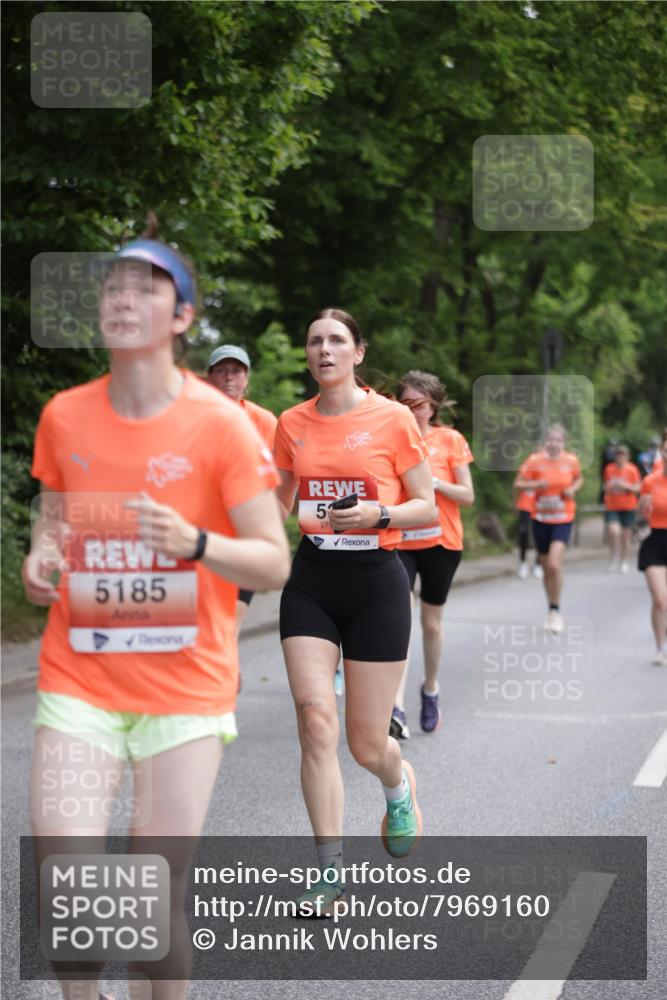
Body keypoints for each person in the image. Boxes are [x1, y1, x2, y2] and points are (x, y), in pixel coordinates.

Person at [22, 229, 290, 1000]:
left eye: (146, 287)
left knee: (150, 909)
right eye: (113, 287)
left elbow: (273, 562)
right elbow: (55, 516)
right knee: (71, 895)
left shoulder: (220, 425)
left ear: (182, 317)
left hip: (185, 692)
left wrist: (195, 542)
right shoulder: (65, 416)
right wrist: (42, 554)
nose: (123, 298)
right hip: (79, 679)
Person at [273, 308, 436, 915]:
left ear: (358, 352)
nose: (324, 349)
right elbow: (277, 502)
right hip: (312, 582)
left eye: (336, 340)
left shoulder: (392, 418)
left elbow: (426, 505)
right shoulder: (292, 422)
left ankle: (397, 785)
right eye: (314, 340)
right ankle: (329, 877)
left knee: (368, 746)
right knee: (316, 721)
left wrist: (379, 515)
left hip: (376, 584)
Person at [388, 371, 474, 739]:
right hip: (401, 542)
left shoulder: (450, 440)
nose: (411, 409)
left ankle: (431, 688)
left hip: (441, 542)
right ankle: (396, 708)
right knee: (399, 620)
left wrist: (432, 483)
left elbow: (468, 496)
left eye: (418, 404)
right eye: (404, 402)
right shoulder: (390, 436)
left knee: (431, 624)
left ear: (433, 406)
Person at [207, 343, 279, 632]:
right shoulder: (192, 417)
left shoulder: (264, 421)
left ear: (246, 378)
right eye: (221, 370)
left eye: (236, 371)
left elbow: (276, 479)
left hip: (244, 536)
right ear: (210, 376)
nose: (228, 377)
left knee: (230, 624)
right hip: (202, 534)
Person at [514, 425, 583, 633]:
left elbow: (579, 478)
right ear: (545, 442)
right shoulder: (535, 460)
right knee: (546, 567)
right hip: (541, 518)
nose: (554, 444)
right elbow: (518, 483)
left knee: (554, 563)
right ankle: (551, 608)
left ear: (564, 443)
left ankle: (556, 609)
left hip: (563, 517)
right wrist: (535, 485)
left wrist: (572, 489)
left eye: (558, 440)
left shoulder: (571, 461)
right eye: (550, 440)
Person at [638, 430, 667, 665]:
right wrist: (641, 509)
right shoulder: (650, 481)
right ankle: (660, 648)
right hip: (655, 541)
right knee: (660, 599)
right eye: (666, 451)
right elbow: (641, 519)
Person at [602, 444, 641, 573]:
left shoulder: (632, 469)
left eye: (623, 455)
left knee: (625, 536)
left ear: (627, 456)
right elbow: (606, 486)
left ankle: (624, 561)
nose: (620, 457)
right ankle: (613, 557)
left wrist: (625, 486)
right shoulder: (609, 469)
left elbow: (638, 488)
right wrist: (611, 486)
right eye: (618, 455)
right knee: (614, 532)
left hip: (628, 506)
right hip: (612, 505)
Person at [514, 453, 544, 581]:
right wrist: (536, 484)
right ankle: (523, 563)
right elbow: (517, 484)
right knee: (524, 533)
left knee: (540, 535)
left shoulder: (550, 466)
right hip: (526, 504)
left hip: (542, 506)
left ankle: (539, 564)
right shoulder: (528, 464)